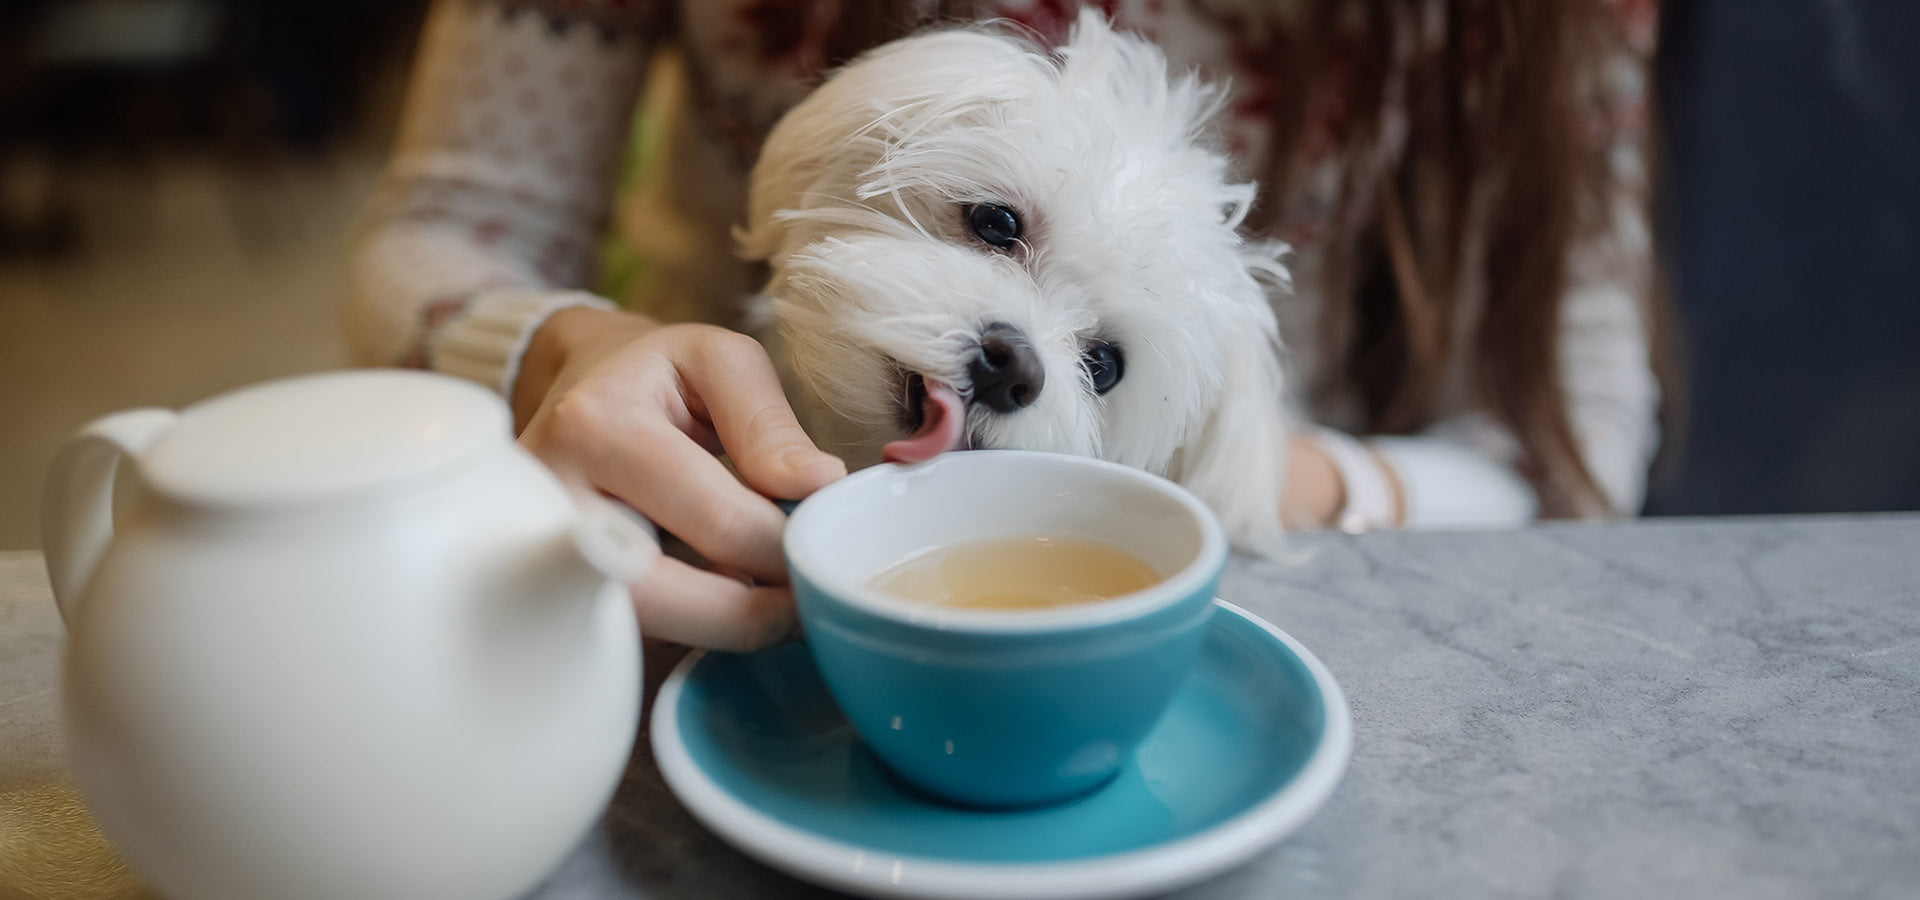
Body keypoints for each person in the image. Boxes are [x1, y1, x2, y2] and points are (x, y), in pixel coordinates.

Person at [347, 0, 1669, 651]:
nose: (1013, 357)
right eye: (991, 228)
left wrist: (1292, 479)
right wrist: (564, 346)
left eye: (1098, 362)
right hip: (661, 563)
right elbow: (444, 232)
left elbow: (1578, 436)